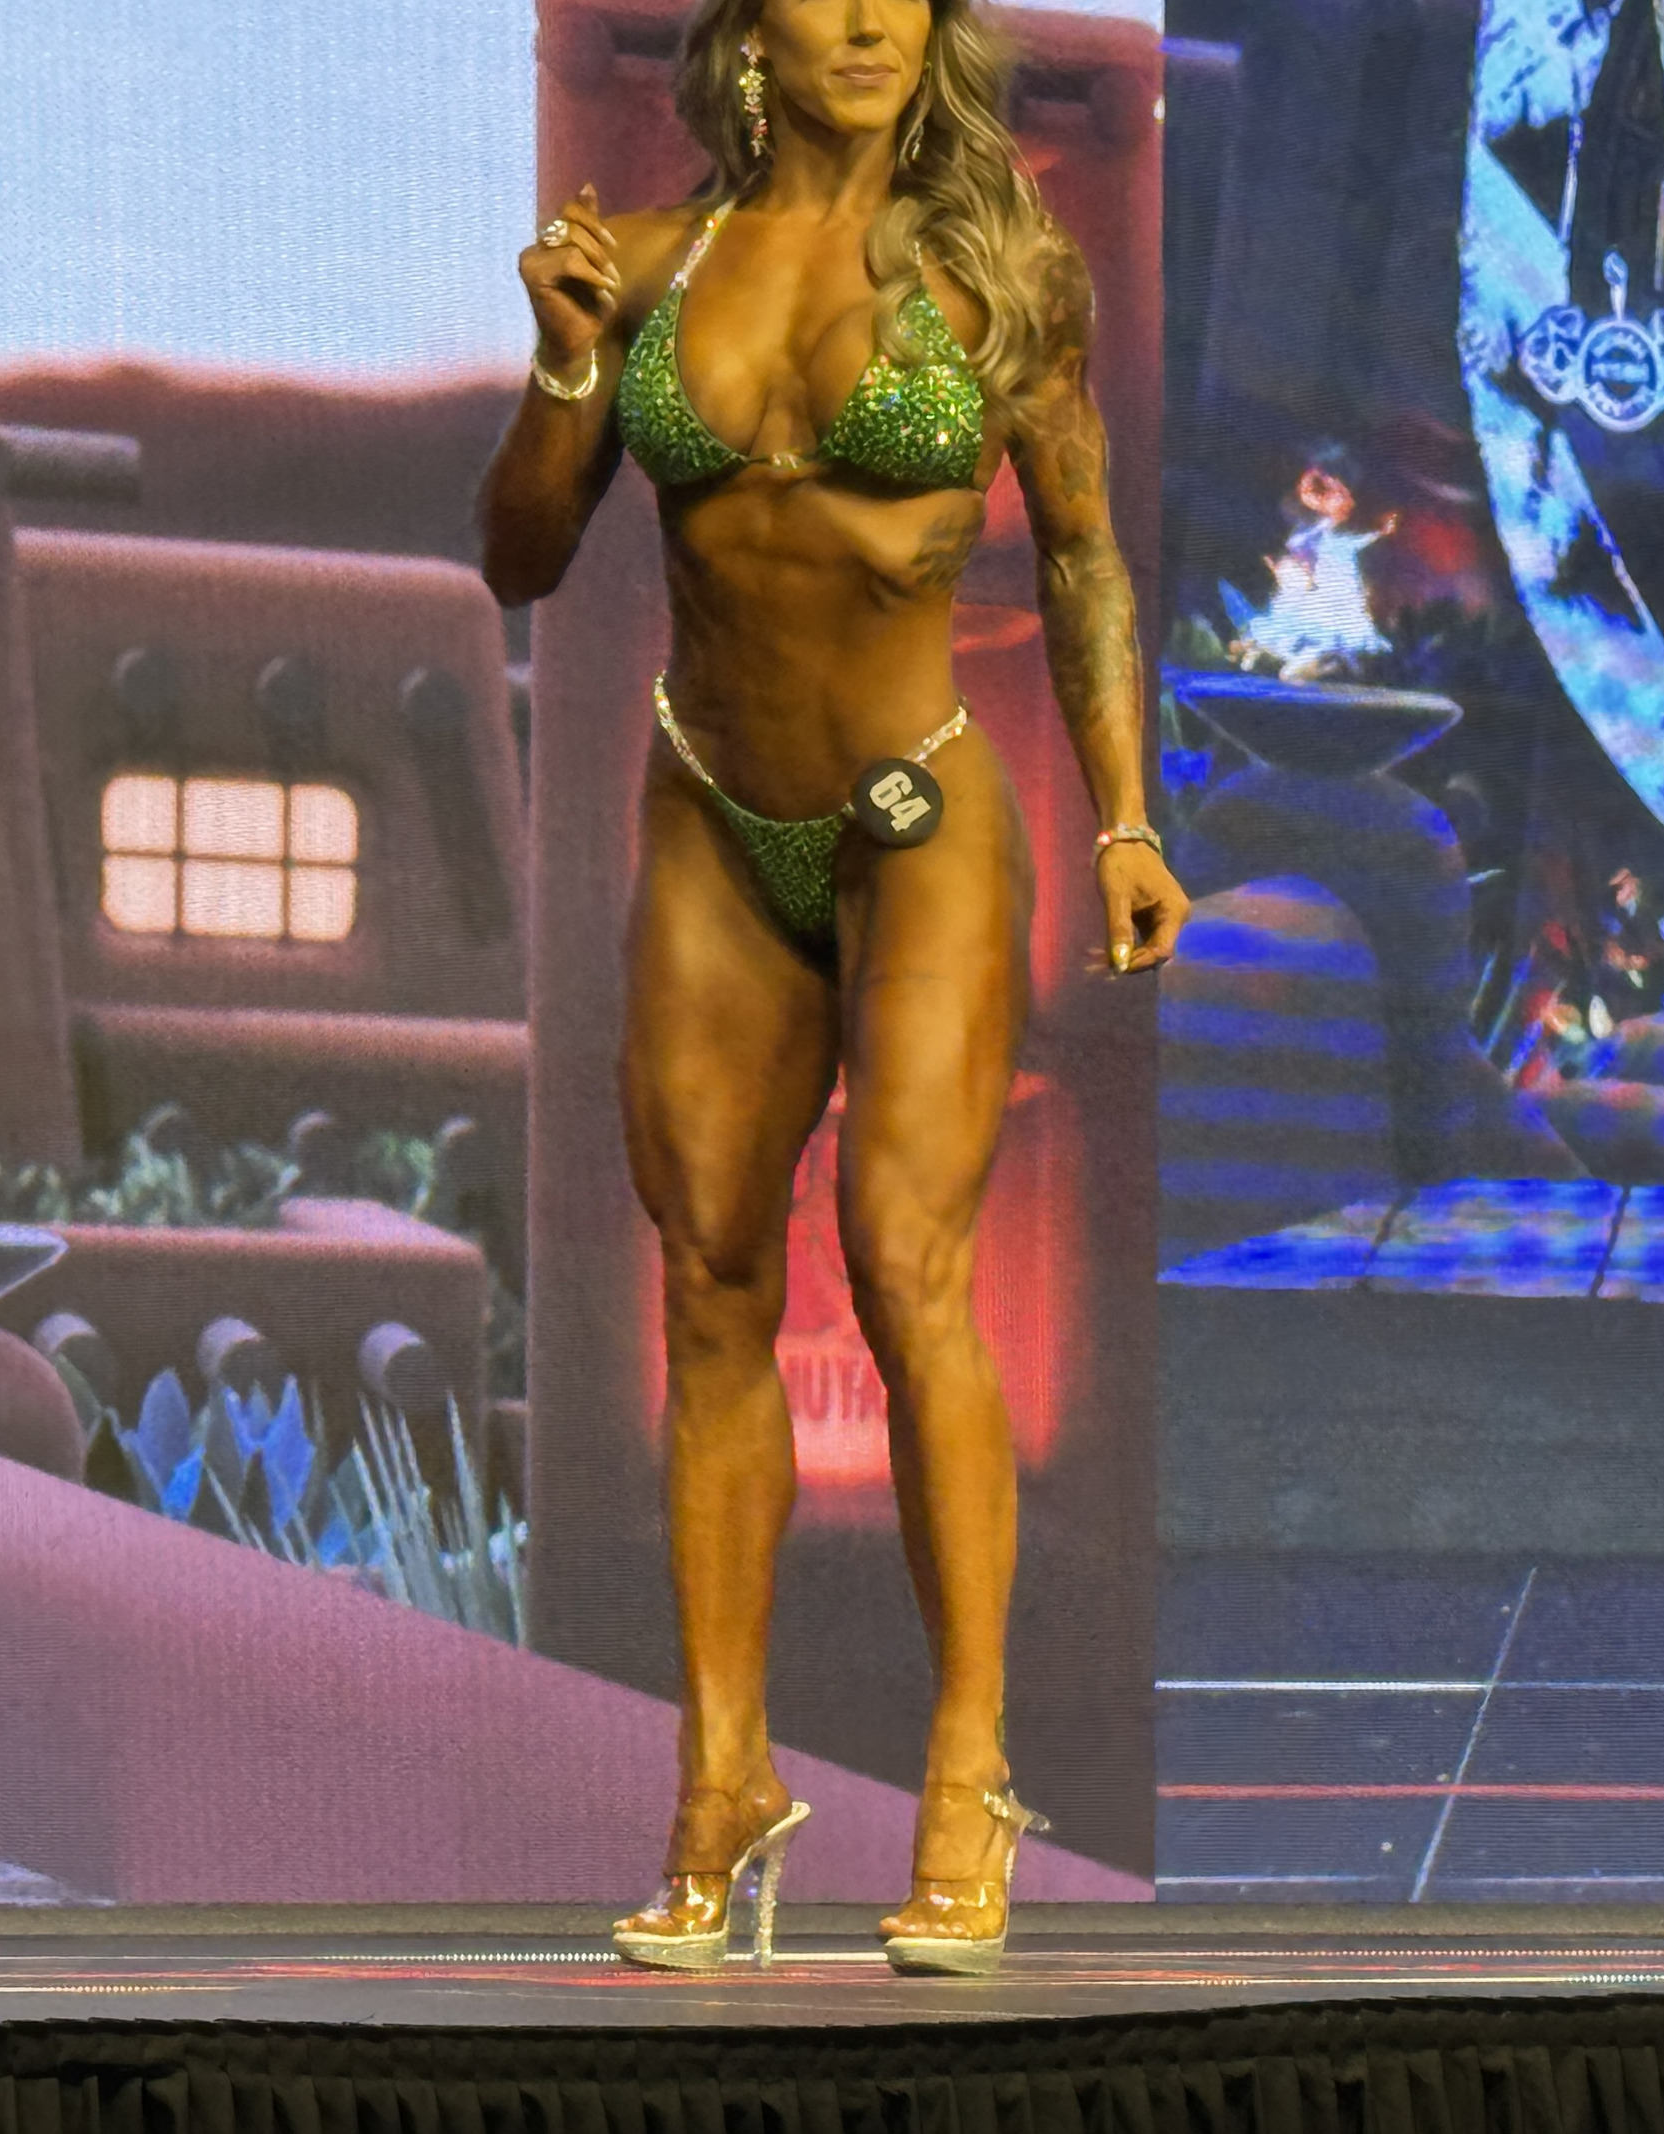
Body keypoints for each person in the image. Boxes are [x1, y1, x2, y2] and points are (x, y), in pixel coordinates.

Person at [479, 0, 1187, 1971]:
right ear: (751, 29)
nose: (871, 17)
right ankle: (721, 1780)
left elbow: (1085, 559)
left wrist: (1126, 819)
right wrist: (565, 367)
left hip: (919, 809)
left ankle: (967, 1774)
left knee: (908, 1264)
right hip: (713, 816)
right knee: (710, 1286)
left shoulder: (1000, 274)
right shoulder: (647, 267)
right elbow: (521, 558)